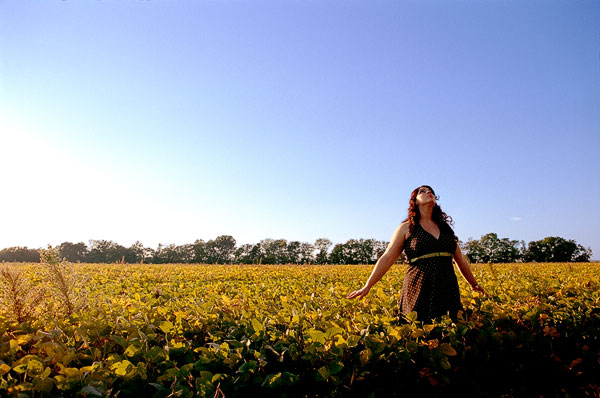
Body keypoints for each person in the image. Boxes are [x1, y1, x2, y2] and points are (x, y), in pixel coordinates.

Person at [346, 185, 485, 323]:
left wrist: (473, 284)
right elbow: (387, 257)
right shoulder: (406, 228)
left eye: (431, 191)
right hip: (418, 286)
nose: (428, 192)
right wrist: (368, 285)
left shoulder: (445, 228)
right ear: (415, 201)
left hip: (447, 287)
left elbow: (460, 260)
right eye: (422, 191)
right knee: (417, 328)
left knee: (450, 329)